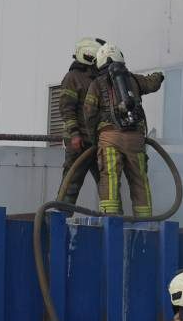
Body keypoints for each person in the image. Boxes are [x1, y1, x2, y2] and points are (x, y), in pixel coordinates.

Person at [81, 43, 164, 217]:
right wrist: (160, 74)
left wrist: (95, 139)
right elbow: (153, 83)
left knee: (110, 178)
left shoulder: (96, 84)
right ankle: (145, 222)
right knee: (139, 179)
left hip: (109, 139)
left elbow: (88, 113)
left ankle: (110, 221)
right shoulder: (133, 79)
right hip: (136, 138)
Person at [55, 37, 104, 204]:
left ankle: (112, 220)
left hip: (98, 141)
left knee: (108, 185)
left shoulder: (98, 78)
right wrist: (75, 134)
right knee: (71, 184)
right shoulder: (72, 78)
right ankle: (60, 218)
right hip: (79, 142)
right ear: (88, 56)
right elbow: (66, 109)